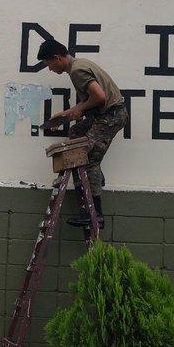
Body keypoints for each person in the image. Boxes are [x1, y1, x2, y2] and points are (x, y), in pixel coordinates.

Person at [37, 39, 129, 228]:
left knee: (88, 160)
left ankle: (96, 215)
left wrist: (81, 108)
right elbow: (90, 101)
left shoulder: (77, 71)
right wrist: (65, 115)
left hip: (110, 116)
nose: (49, 69)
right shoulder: (79, 65)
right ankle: (97, 176)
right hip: (106, 114)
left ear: (57, 58)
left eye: (48, 64)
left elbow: (100, 97)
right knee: (76, 131)